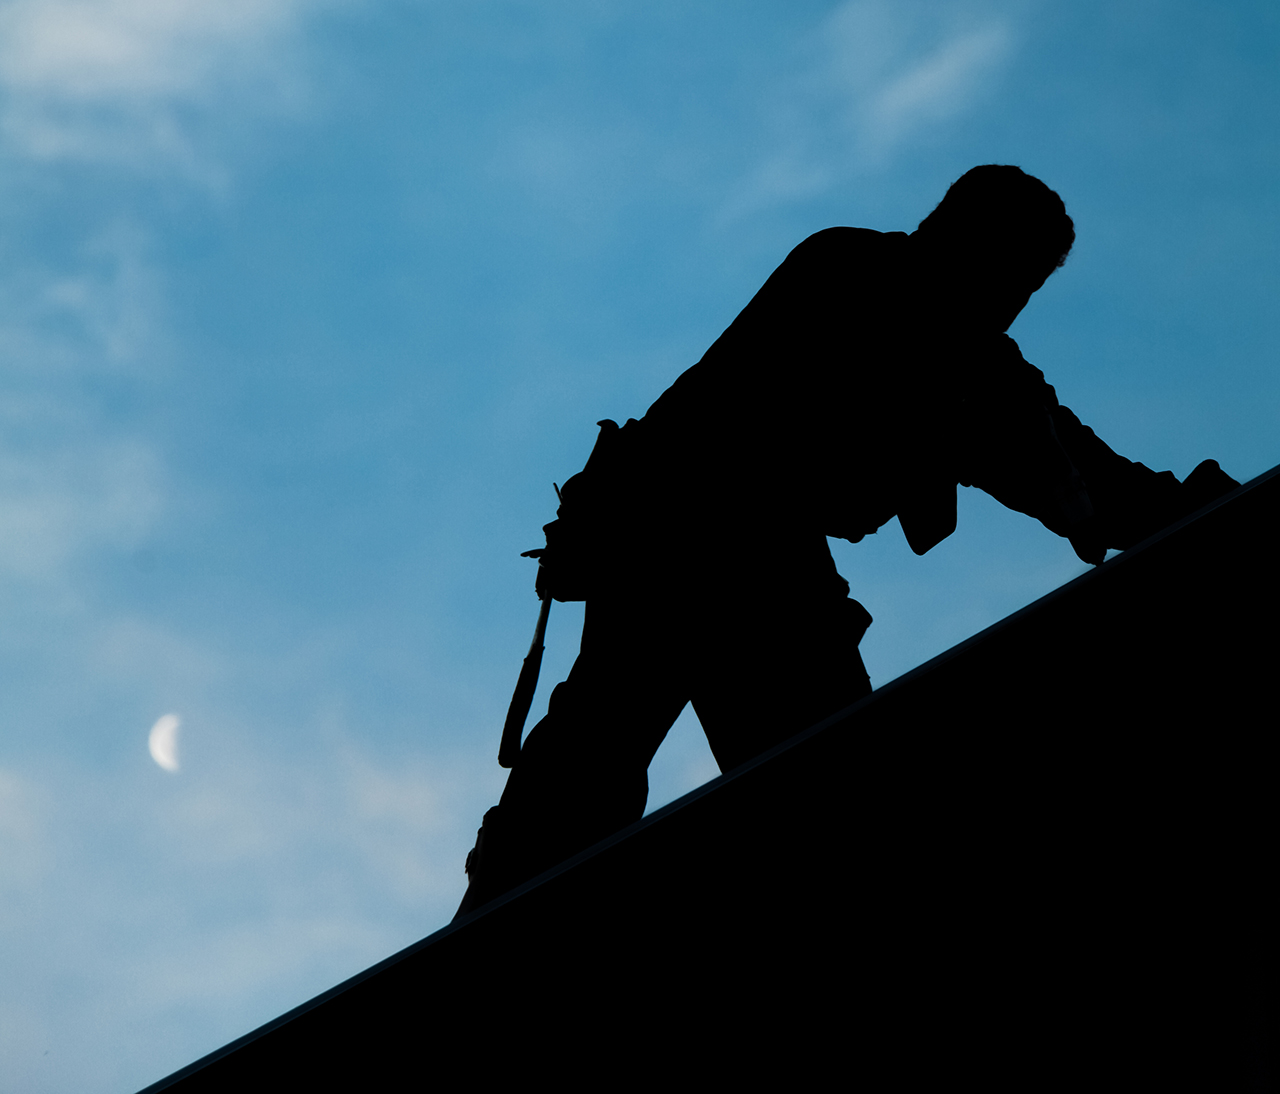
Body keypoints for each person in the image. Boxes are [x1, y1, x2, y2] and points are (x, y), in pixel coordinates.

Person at [455, 165, 1237, 918]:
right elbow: (719, 422)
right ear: (960, 235)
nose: (1014, 300)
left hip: (714, 554)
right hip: (708, 549)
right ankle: (514, 894)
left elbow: (1081, 474)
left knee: (623, 760)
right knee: (657, 767)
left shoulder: (962, 352)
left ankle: (519, 885)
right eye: (1013, 273)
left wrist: (1179, 514)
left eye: (1029, 286)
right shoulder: (867, 280)